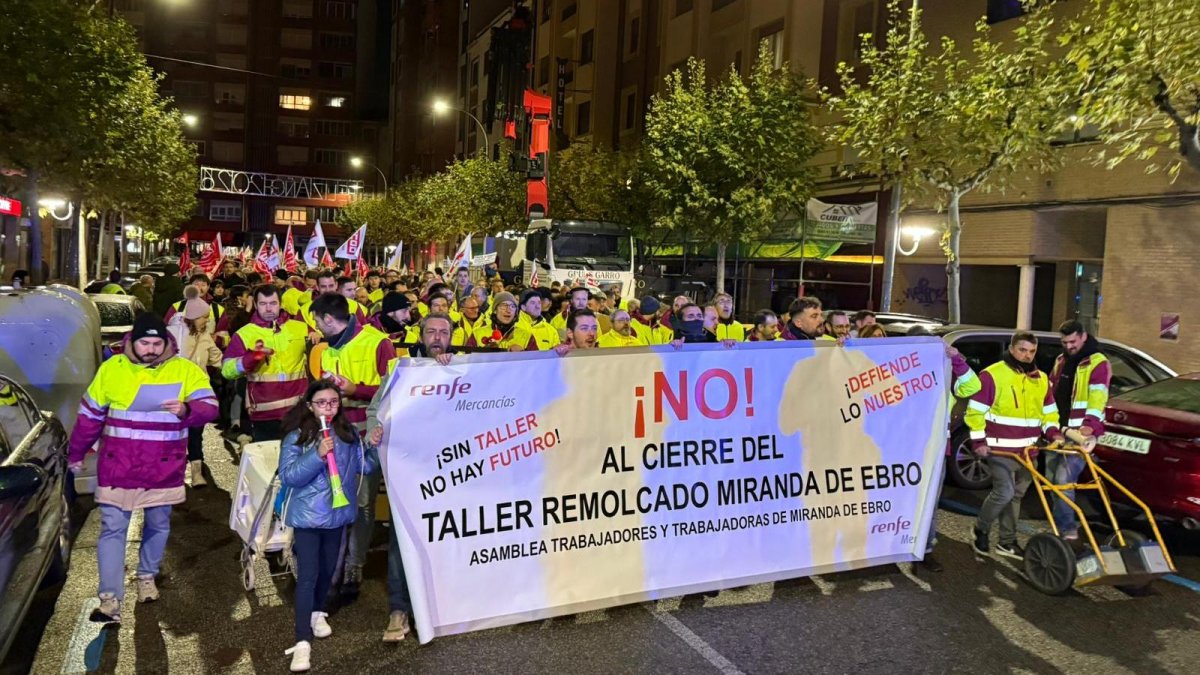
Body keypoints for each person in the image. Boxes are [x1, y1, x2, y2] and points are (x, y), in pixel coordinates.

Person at [67, 313, 218, 623]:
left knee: (158, 526)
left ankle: (146, 577)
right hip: (118, 466)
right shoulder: (112, 369)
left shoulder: (184, 370)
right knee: (112, 530)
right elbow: (89, 416)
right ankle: (109, 600)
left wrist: (186, 409)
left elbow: (211, 407)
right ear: (132, 342)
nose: (150, 349)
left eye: (156, 343)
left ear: (166, 342)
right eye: (144, 343)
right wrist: (76, 452)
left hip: (162, 468)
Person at [279, 381, 379, 672]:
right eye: (321, 402)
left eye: (333, 402)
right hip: (309, 518)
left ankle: (317, 612)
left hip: (337, 516)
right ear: (309, 405)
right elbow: (289, 476)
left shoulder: (348, 434)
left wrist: (373, 445)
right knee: (308, 576)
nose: (328, 408)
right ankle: (302, 641)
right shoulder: (297, 437)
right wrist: (317, 455)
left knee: (328, 572)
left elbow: (365, 467)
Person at [310, 292, 397, 597]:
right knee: (334, 496)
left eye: (318, 322)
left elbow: (394, 390)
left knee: (362, 502)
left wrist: (354, 389)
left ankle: (355, 561)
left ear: (328, 319)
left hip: (367, 436)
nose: (316, 328)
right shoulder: (326, 349)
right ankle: (333, 557)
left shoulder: (378, 343)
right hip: (335, 434)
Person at [968, 331, 1063, 560]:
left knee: (1016, 496)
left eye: (1032, 351)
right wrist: (978, 441)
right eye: (1022, 350)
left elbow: (1049, 412)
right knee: (1004, 492)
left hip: (1028, 452)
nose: (1027, 355)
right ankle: (980, 529)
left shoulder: (1041, 379)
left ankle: (1006, 542)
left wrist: (1053, 432)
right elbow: (975, 412)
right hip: (1000, 449)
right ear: (1011, 349)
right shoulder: (992, 375)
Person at [221, 285, 311, 442]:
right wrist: (250, 359)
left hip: (300, 412)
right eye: (263, 304)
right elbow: (226, 370)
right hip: (264, 415)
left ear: (280, 304)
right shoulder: (244, 334)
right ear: (255, 305)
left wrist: (316, 338)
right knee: (268, 456)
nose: (268, 308)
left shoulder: (301, 328)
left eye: (273, 303)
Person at [1047, 319, 1110, 539]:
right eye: (1065, 342)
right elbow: (1051, 391)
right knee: (1051, 481)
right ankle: (1060, 527)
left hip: (1078, 435)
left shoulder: (1097, 362)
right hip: (1058, 431)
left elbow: (1098, 396)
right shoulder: (1061, 360)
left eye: (1073, 341)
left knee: (1062, 480)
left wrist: (1090, 425)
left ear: (1083, 336)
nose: (1069, 346)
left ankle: (1068, 529)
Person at [178, 298, 223, 487]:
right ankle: (175, 472)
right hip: (176, 393)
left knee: (196, 432)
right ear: (193, 317)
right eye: (204, 317)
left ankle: (197, 472)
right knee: (176, 434)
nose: (207, 320)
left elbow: (217, 359)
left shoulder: (205, 337)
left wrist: (238, 364)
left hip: (198, 394)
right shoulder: (175, 335)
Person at [467, 291, 536, 351]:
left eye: (512, 306)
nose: (508, 310)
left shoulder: (526, 336)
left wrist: (523, 354)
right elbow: (466, 358)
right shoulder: (477, 334)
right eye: (503, 305)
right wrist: (484, 352)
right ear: (495, 310)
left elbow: (536, 360)